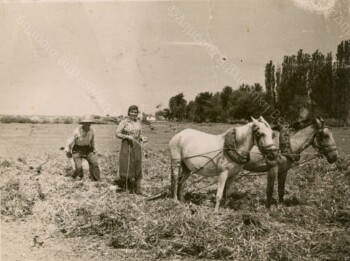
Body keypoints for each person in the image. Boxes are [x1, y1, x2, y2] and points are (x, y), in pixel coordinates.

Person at [115, 105, 147, 194]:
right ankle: (126, 185)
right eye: (132, 112)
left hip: (136, 144)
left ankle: (137, 187)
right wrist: (127, 136)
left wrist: (142, 138)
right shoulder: (124, 122)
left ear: (137, 113)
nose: (134, 114)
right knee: (127, 163)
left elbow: (139, 134)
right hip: (126, 144)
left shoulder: (138, 123)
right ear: (128, 112)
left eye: (135, 112)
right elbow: (117, 133)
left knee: (137, 163)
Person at [64, 115, 100, 181]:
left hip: (88, 149)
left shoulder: (91, 131)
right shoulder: (77, 131)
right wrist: (68, 151)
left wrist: (94, 149)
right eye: (86, 123)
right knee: (79, 167)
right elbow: (69, 141)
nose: (88, 125)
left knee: (94, 163)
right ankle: (76, 178)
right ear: (83, 124)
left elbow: (92, 141)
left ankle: (96, 181)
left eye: (89, 124)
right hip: (77, 149)